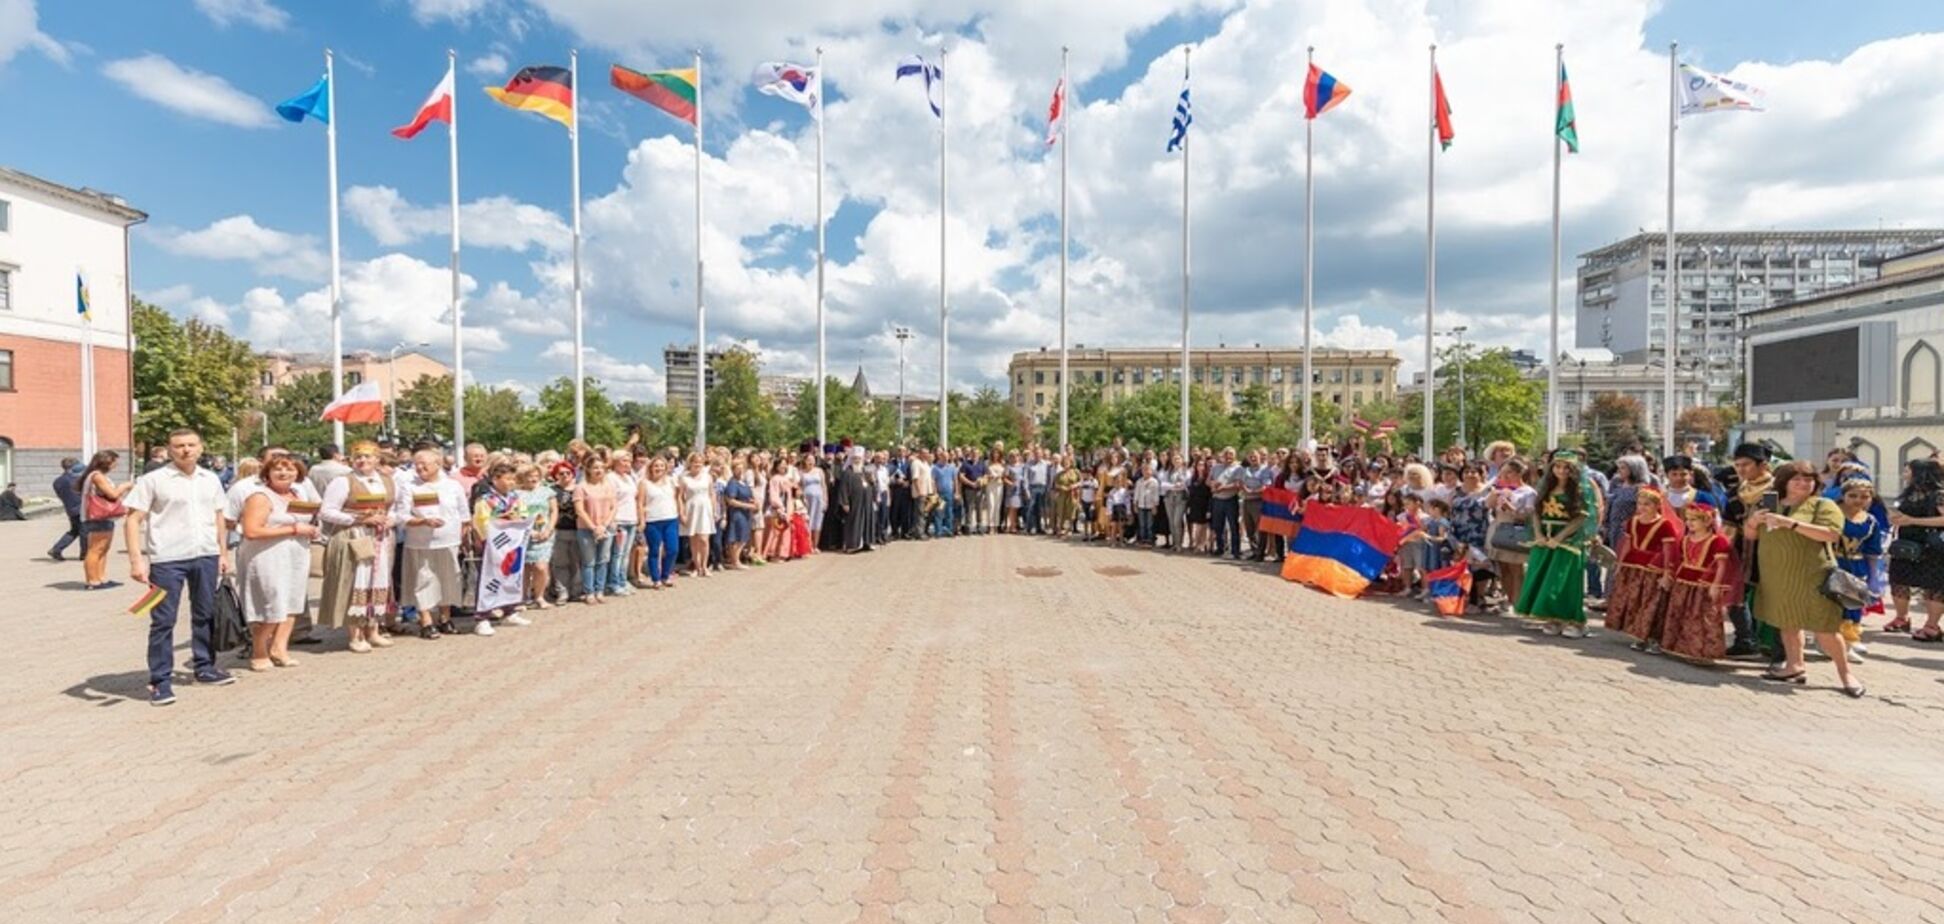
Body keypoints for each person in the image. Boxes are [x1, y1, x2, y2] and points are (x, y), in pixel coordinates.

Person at [123, 429, 235, 706]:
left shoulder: (211, 479)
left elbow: (218, 517)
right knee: (163, 620)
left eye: (191, 445)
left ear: (200, 447)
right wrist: (137, 560)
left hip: (205, 556)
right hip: (167, 559)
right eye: (179, 446)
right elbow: (132, 520)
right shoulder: (153, 480)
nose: (186, 450)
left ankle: (205, 667)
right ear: (170, 450)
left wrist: (222, 553)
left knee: (205, 614)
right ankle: (160, 680)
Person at [1747, 460, 1862, 695]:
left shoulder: (1823, 505)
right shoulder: (1769, 502)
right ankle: (1794, 666)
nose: (1803, 484)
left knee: (1825, 628)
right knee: (1787, 621)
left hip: (1813, 575)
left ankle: (1846, 674)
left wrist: (1791, 524)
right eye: (1797, 479)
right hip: (1777, 575)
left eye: (1808, 479)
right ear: (1784, 482)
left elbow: (1830, 534)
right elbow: (1750, 535)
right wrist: (1753, 521)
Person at [235, 455, 317, 671]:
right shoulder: (260, 497)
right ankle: (259, 650)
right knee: (271, 603)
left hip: (296, 554)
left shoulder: (298, 493)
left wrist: (311, 531)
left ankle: (280, 648)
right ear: (267, 473)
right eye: (278, 469)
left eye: (289, 469)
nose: (284, 473)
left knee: (291, 602)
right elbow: (252, 530)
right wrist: (293, 530)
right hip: (267, 557)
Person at [318, 440, 401, 647]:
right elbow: (327, 511)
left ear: (377, 459)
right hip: (354, 536)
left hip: (381, 537)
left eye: (368, 457)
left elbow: (398, 508)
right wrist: (359, 519)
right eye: (358, 457)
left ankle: (373, 629)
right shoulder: (343, 482)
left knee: (379, 581)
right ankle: (355, 634)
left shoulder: (388, 481)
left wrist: (393, 519)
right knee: (357, 580)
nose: (363, 461)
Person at [1516, 451, 1592, 638]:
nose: (1561, 471)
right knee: (1545, 579)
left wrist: (1560, 538)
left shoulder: (1579, 490)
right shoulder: (1546, 488)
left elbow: (1580, 518)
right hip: (1545, 539)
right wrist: (1539, 534)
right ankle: (1553, 618)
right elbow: (1536, 512)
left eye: (1566, 467)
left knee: (1564, 580)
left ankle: (1576, 621)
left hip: (1567, 540)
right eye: (1558, 466)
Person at [395, 448, 470, 634]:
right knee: (423, 580)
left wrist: (464, 537)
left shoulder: (453, 485)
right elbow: (401, 516)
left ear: (438, 464)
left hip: (449, 541)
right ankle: (426, 620)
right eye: (416, 464)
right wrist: (422, 521)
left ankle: (445, 618)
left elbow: (464, 514)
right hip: (420, 542)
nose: (419, 468)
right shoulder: (409, 486)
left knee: (448, 578)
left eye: (424, 464)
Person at [1605, 485, 1681, 652]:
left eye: (1647, 504)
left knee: (1651, 603)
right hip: (1633, 566)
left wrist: (1668, 573)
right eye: (1640, 504)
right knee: (1635, 601)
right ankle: (1639, 636)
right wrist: (1620, 564)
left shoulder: (1664, 525)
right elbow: (1627, 544)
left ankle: (1653, 638)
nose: (1642, 508)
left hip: (1653, 568)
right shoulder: (1632, 522)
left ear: (1656, 505)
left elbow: (1669, 551)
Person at [1887, 458, 1944, 642]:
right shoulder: (1908, 493)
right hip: (1906, 543)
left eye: (1907, 471)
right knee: (1898, 579)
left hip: (1931, 545)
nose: (1904, 474)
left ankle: (1932, 626)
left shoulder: (1939, 494)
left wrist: (1912, 520)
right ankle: (1901, 618)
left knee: (1932, 585)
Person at [1833, 477, 1884, 656]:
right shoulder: (1833, 514)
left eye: (1864, 497)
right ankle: (1828, 641)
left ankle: (1849, 641)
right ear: (1843, 495)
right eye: (1853, 495)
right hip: (1834, 563)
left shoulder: (1870, 521)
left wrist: (1874, 577)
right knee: (1833, 605)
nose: (1858, 500)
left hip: (1857, 566)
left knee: (1853, 605)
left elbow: (1873, 551)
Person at [1485, 459, 1535, 615]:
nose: (1505, 476)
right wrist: (1494, 494)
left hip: (1516, 530)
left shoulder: (1528, 492)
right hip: (1499, 528)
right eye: (1502, 473)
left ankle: (1519, 604)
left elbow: (1530, 515)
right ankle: (1509, 600)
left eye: (1509, 473)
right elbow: (1488, 505)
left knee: (1516, 569)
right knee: (1503, 568)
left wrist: (1512, 508)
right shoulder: (1499, 488)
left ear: (1519, 473)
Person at [79, 450, 132, 590]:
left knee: (103, 549)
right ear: (107, 462)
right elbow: (113, 494)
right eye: (115, 461)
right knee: (96, 549)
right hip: (98, 516)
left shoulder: (97, 475)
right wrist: (125, 486)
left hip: (104, 516)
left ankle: (101, 578)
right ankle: (92, 581)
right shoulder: (97, 476)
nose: (116, 464)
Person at [574, 454, 619, 604]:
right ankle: (589, 592)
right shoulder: (581, 487)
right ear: (588, 470)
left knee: (603, 560)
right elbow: (579, 510)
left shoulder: (608, 486)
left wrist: (604, 526)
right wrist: (593, 527)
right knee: (589, 562)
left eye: (601, 467)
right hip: (586, 529)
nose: (598, 470)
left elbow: (613, 507)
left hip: (606, 528)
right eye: (595, 468)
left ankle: (600, 590)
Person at [516, 463, 559, 609]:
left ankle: (539, 596)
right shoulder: (516, 494)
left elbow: (553, 511)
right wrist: (528, 531)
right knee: (525, 567)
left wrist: (549, 529)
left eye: (536, 476)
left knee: (541, 567)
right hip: (524, 534)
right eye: (529, 476)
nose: (533, 479)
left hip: (544, 533)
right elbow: (516, 514)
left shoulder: (548, 492)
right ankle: (522, 597)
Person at [641, 456, 681, 588]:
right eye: (656, 466)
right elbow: (640, 503)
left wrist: (680, 512)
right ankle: (655, 578)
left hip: (670, 518)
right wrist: (641, 520)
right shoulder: (645, 483)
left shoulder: (671, 481)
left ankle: (665, 575)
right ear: (651, 468)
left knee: (672, 549)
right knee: (654, 550)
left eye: (661, 466)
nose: (659, 469)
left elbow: (677, 498)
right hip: (653, 520)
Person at [546, 462, 583, 603]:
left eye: (568, 473)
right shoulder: (551, 491)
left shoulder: (579, 489)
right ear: (555, 475)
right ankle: (562, 591)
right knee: (560, 563)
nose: (565, 476)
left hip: (578, 530)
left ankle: (576, 590)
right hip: (559, 530)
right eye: (561, 473)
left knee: (577, 562)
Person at [677, 453, 716, 577]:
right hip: (691, 507)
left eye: (700, 462)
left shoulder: (707, 477)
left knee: (704, 539)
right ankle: (697, 566)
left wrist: (714, 510)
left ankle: (705, 566)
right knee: (693, 539)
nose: (698, 464)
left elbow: (712, 493)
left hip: (705, 508)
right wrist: (682, 513)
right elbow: (680, 496)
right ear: (690, 463)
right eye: (695, 462)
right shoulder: (684, 477)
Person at [836, 448, 877, 553]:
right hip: (854, 503)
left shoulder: (865, 471)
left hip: (866, 501)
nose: (857, 460)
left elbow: (872, 486)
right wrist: (844, 502)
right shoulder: (847, 473)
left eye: (859, 458)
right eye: (855, 458)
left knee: (867, 520)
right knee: (854, 522)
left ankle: (867, 542)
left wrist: (872, 482)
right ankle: (853, 544)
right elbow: (843, 489)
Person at [722, 458, 757, 569]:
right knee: (737, 537)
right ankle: (735, 561)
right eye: (737, 468)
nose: (740, 470)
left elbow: (748, 495)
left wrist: (753, 502)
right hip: (737, 513)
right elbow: (731, 500)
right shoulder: (732, 483)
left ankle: (736, 560)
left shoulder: (744, 482)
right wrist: (748, 506)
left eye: (742, 468)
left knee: (743, 537)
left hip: (746, 513)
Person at [47, 457, 85, 560]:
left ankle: (56, 549)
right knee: (84, 531)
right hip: (81, 508)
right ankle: (85, 554)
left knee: (75, 530)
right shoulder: (76, 480)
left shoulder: (57, 481)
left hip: (70, 508)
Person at [800, 453, 827, 549]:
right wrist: (802, 499)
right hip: (807, 499)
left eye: (812, 460)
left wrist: (825, 499)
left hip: (819, 498)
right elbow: (800, 487)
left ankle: (815, 545)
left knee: (817, 521)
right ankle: (808, 545)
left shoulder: (819, 471)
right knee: (808, 521)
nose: (811, 462)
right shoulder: (802, 472)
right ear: (805, 461)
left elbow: (823, 486)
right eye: (808, 460)